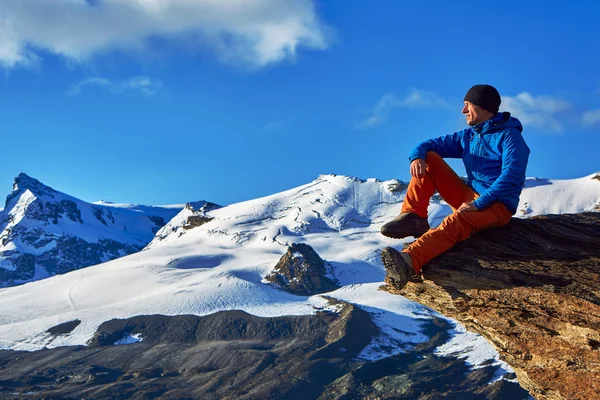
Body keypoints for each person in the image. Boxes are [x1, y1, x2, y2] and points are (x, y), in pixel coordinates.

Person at [380, 84, 530, 289]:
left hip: (497, 205)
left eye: (467, 104)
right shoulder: (469, 136)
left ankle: (409, 262)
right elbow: (427, 144)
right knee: (430, 158)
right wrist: (417, 156)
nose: (463, 110)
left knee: (456, 221)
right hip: (470, 196)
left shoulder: (511, 137)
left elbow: (511, 177)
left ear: (482, 105)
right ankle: (414, 217)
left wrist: (479, 203)